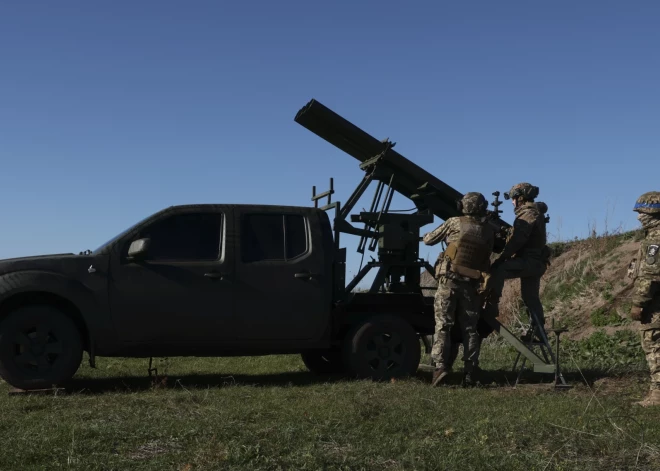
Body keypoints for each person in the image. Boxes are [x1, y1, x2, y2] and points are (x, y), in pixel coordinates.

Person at [422, 192, 495, 386]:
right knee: (470, 329)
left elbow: (429, 239)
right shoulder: (488, 230)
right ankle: (470, 372)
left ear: (463, 206)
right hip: (471, 286)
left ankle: (440, 368)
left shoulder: (454, 222)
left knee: (443, 325)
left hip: (449, 282)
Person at [482, 183, 550, 340]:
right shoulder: (533, 212)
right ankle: (538, 331)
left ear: (520, 198)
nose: (512, 202)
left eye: (513, 199)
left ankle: (491, 307)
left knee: (498, 270)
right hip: (536, 261)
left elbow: (517, 240)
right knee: (530, 297)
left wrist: (502, 258)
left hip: (529, 261)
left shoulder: (528, 214)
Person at [629, 191, 660, 407]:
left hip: (656, 304)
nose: (639, 217)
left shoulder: (654, 241)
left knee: (654, 345)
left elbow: (649, 276)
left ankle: (657, 395)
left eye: (641, 212)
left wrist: (638, 303)